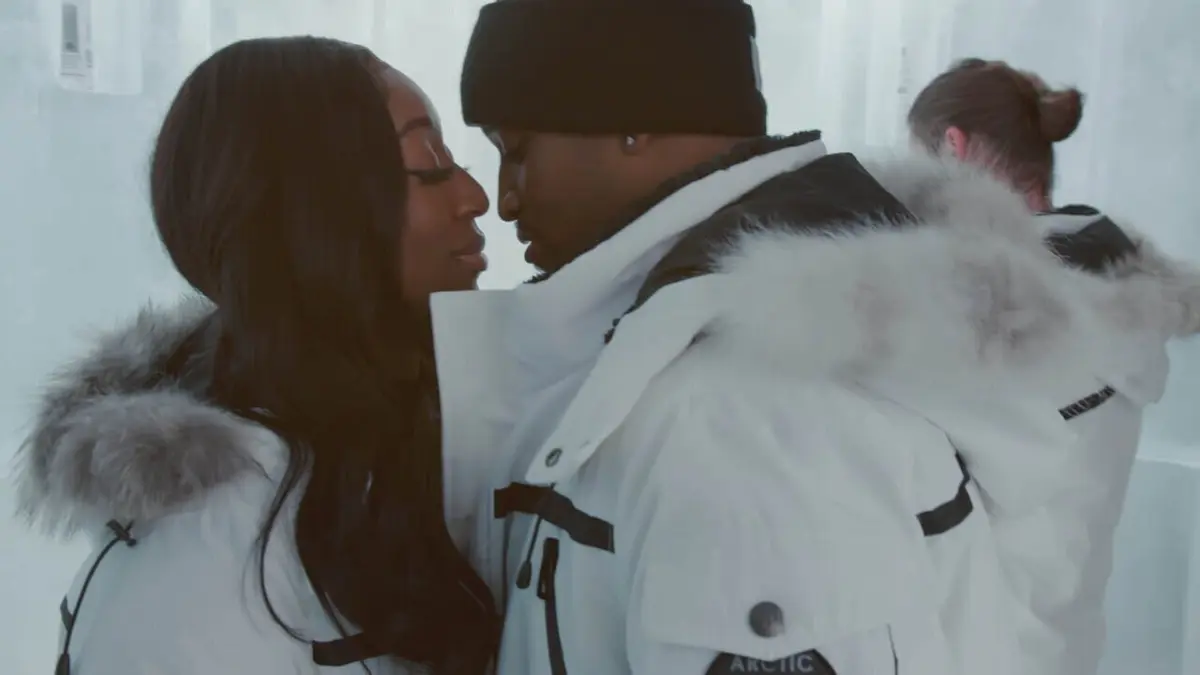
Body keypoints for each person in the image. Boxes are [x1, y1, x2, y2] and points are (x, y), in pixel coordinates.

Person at [431, 2, 1200, 675]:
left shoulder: (741, 421)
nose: (503, 200)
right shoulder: (711, 360)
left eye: (517, 151)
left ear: (631, 127)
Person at [14, 36, 499, 675]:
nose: (476, 196)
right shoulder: (202, 581)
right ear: (312, 212)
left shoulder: (384, 463)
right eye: (430, 164)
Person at [906, 57, 1195, 675]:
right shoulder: (1116, 292)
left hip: (968, 652)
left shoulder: (988, 308)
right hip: (1063, 644)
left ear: (953, 148)